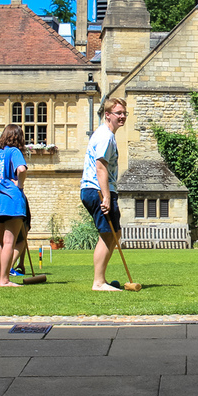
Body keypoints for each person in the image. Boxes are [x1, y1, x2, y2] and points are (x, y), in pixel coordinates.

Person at [81, 97, 128, 291]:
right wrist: (107, 196)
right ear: (107, 115)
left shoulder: (105, 134)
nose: (122, 116)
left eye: (124, 113)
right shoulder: (105, 136)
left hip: (96, 189)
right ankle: (98, 282)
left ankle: (101, 280)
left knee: (114, 233)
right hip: (98, 189)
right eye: (118, 113)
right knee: (108, 234)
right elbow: (100, 167)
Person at [0, 124, 29, 288]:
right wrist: (20, 185)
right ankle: (5, 280)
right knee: (9, 242)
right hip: (11, 200)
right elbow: (21, 169)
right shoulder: (14, 151)